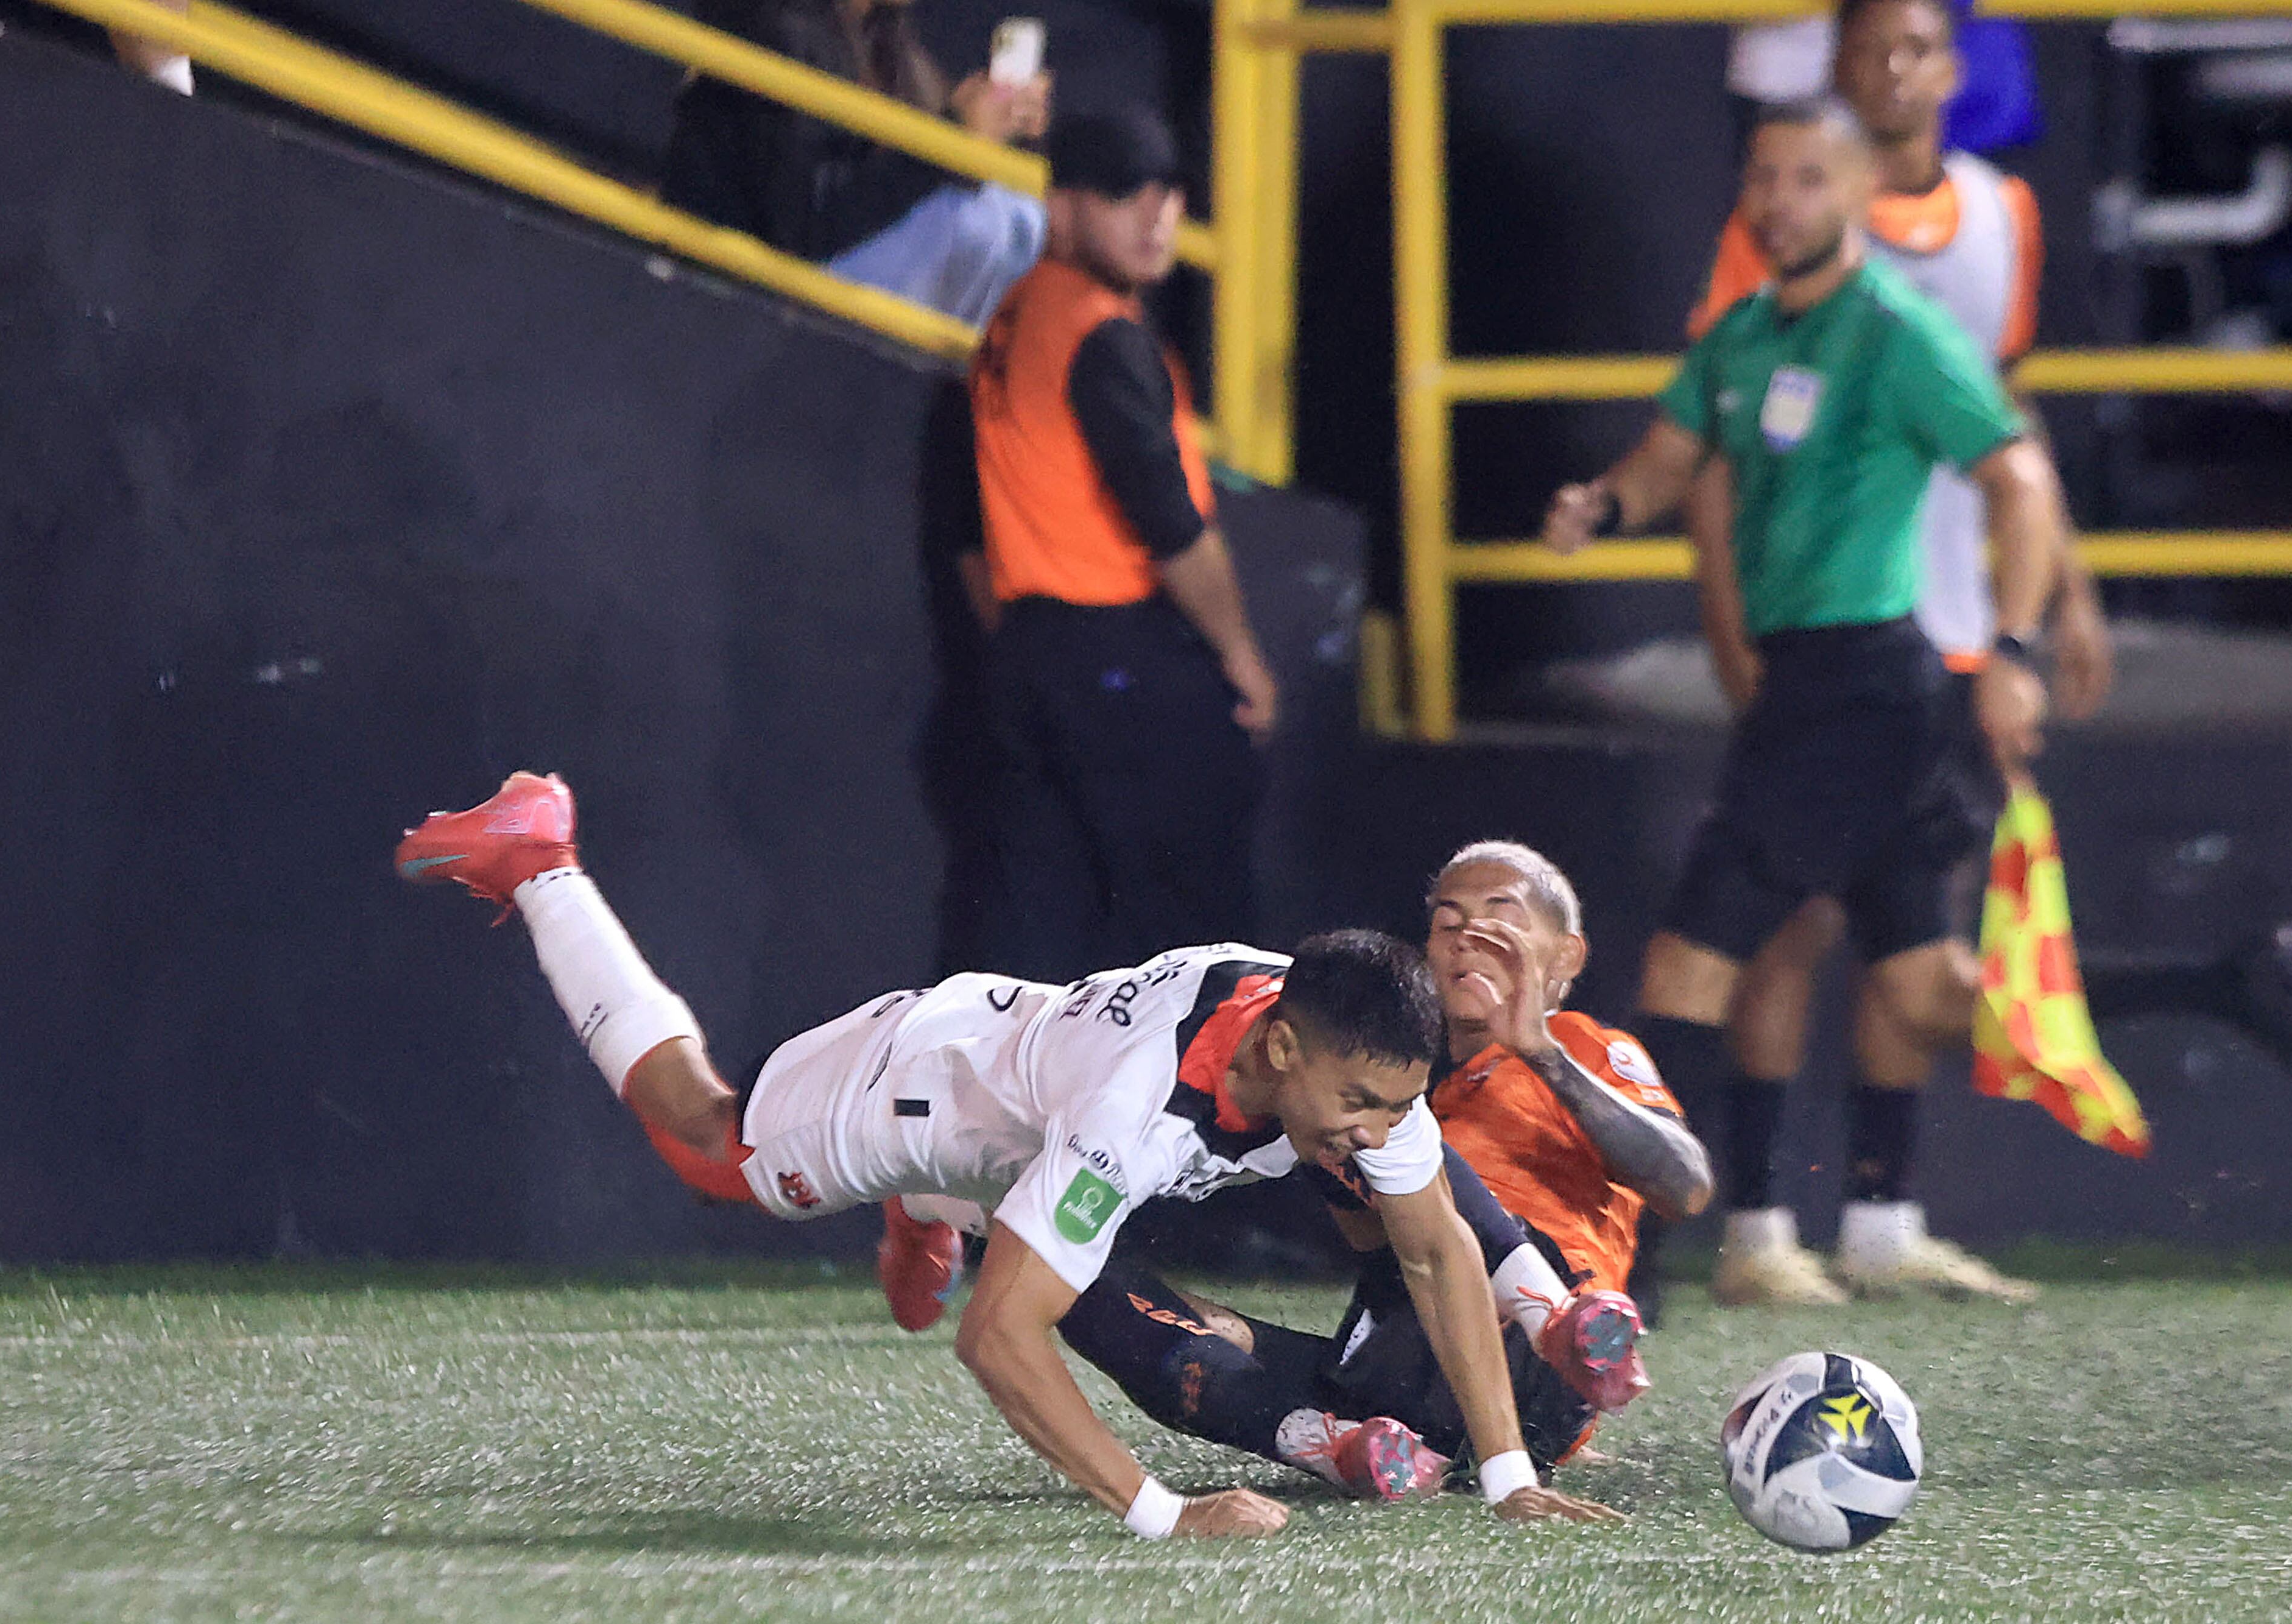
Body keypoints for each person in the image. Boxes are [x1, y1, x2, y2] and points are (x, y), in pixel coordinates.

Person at [397, 771, 1589, 1538]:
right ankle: (542, 860)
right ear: (1278, 1045)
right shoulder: (1133, 1113)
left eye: (1396, 1109)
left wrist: (1506, 1475)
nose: (1374, 1134)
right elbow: (997, 1334)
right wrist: (1162, 1514)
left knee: (1391, 1190)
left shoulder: (1354, 1045)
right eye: (1361, 1105)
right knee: (708, 1143)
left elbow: (1435, 1254)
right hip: (918, 1083)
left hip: (1030, 1100)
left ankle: (945, 1209)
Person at [1670, 0, 2292, 1310]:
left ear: (1948, 69)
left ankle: (1873, 1215)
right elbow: (1717, 420)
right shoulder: (1787, 213)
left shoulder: (1998, 216)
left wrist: (2057, 607)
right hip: (1823, 628)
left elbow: (2009, 425)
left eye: (1909, 49)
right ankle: (1758, 1222)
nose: (1883, 70)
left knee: (1902, 949)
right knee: (1791, 929)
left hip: (1946, 636)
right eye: (1862, 51)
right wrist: (1728, 624)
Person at [1542, 97, 2065, 1312]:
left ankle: (1622, 1256)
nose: (1777, 200)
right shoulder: (1739, 335)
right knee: (1929, 991)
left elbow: (2020, 477)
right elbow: (1667, 461)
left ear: (1853, 193)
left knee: (1689, 961)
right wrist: (1602, 506)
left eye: (1804, 179)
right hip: (1820, 687)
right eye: (1762, 178)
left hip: (1861, 686)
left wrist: (2016, 645)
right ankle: (2220, 984)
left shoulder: (1892, 330)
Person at [1041, 842, 1707, 1505]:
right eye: (1447, 924)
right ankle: (1339, 1447)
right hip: (1413, 1363)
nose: (1466, 940)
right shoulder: (1386, 1096)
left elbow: (1684, 1184)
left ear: (1564, 956)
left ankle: (1558, 1320)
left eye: (1498, 920)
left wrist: (1542, 1051)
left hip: (1532, 1333)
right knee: (1123, 1302)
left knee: (1406, 1170)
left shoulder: (1588, 1048)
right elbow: (1378, 1250)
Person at [961, 108, 1280, 985]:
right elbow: (1170, 523)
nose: (1156, 218)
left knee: (1031, 947)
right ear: (1060, 206)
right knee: (1198, 950)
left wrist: (1026, 644)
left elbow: (964, 527)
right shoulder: (1100, 330)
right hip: (1122, 660)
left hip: (1031, 654)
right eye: (1123, 197)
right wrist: (1240, 653)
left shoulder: (1012, 319)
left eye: (1169, 196)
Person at [660, 0, 1049, 325]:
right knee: (985, 224)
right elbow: (803, 226)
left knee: (1018, 214)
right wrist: (955, 135)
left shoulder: (884, 35)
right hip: (743, 290)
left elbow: (907, 184)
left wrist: (991, 126)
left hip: (825, 264)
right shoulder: (774, 25)